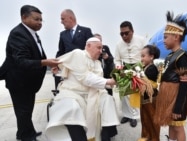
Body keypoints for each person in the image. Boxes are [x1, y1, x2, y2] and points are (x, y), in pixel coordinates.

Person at [0, 5, 59, 141]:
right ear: (24, 18)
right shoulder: (18, 33)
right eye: (36, 19)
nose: (40, 23)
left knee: (26, 111)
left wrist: (47, 62)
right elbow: (21, 61)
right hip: (18, 81)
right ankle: (26, 137)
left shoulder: (31, 33)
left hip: (27, 81)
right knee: (23, 111)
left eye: (41, 20)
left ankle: (26, 132)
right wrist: (45, 62)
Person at [45, 37, 120, 141]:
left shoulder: (98, 63)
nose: (100, 51)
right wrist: (109, 82)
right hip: (73, 93)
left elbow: (99, 81)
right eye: (98, 48)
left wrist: (116, 82)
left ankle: (105, 137)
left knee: (108, 100)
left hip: (93, 93)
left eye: (101, 48)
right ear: (88, 46)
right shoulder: (78, 54)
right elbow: (85, 78)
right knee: (72, 108)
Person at [154, 11, 187, 141]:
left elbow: (184, 83)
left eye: (165, 37)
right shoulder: (169, 56)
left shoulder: (183, 56)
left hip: (177, 97)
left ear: (176, 37)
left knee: (178, 126)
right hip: (167, 95)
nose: (163, 40)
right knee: (171, 123)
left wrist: (178, 106)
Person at [114, 21, 147, 127]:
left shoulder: (141, 40)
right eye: (121, 34)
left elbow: (146, 55)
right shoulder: (118, 45)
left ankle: (134, 117)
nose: (124, 36)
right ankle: (126, 115)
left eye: (126, 33)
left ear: (132, 31)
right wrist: (120, 70)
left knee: (135, 93)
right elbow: (117, 60)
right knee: (124, 94)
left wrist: (142, 68)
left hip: (139, 67)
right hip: (125, 68)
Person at [54, 9, 93, 90]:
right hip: (69, 72)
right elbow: (61, 52)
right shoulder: (63, 34)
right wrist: (55, 64)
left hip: (84, 70)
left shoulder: (86, 31)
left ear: (71, 18)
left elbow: (92, 50)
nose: (61, 22)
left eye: (63, 19)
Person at [139, 45, 161, 141]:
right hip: (144, 99)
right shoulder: (145, 67)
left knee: (152, 121)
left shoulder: (152, 68)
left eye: (143, 56)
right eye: (141, 56)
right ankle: (146, 137)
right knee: (145, 120)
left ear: (151, 57)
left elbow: (147, 81)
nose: (141, 58)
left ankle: (154, 138)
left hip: (151, 100)